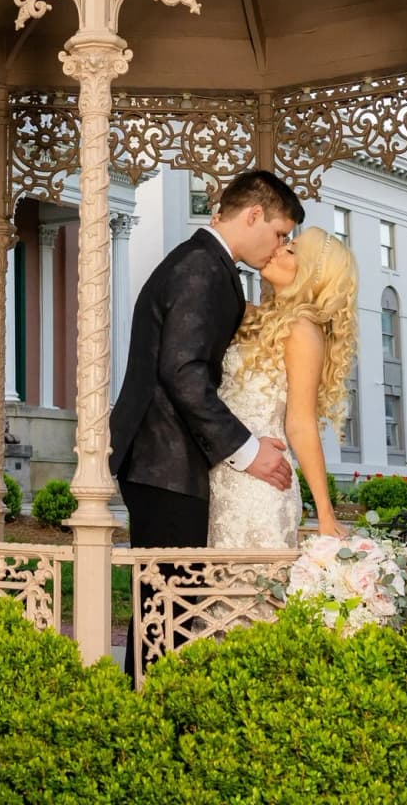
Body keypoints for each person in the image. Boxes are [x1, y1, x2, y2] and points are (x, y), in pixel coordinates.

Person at [109, 169, 305, 675]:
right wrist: (248, 451)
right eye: (279, 233)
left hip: (164, 460)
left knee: (165, 607)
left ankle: (147, 702)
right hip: (164, 460)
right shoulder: (202, 267)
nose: (279, 246)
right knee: (168, 610)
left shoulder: (207, 263)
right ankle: (149, 709)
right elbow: (183, 372)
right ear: (254, 214)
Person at [208, 226, 357, 548]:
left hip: (261, 486)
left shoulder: (302, 330)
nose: (277, 249)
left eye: (290, 250)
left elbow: (300, 424)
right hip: (221, 471)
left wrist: (325, 514)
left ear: (311, 276)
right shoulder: (252, 317)